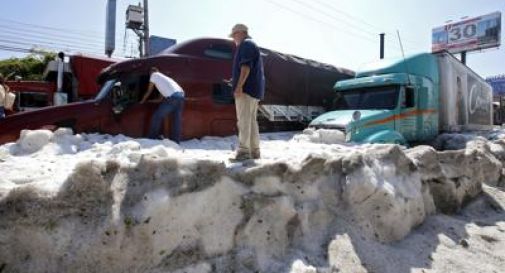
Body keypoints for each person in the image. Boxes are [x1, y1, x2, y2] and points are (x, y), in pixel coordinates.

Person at [229, 23, 265, 161]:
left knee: (243, 121)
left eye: (234, 35)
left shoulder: (246, 45)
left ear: (241, 32)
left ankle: (244, 152)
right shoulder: (252, 45)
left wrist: (238, 86)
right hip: (253, 91)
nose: (233, 38)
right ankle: (255, 152)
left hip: (246, 90)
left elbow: (245, 67)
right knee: (251, 121)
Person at [140, 67, 185, 143]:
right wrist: (151, 101)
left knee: (157, 116)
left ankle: (151, 138)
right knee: (176, 120)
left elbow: (149, 91)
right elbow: (160, 99)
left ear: (151, 72)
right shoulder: (165, 79)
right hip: (181, 96)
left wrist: (142, 101)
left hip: (173, 97)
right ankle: (176, 141)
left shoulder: (154, 74)